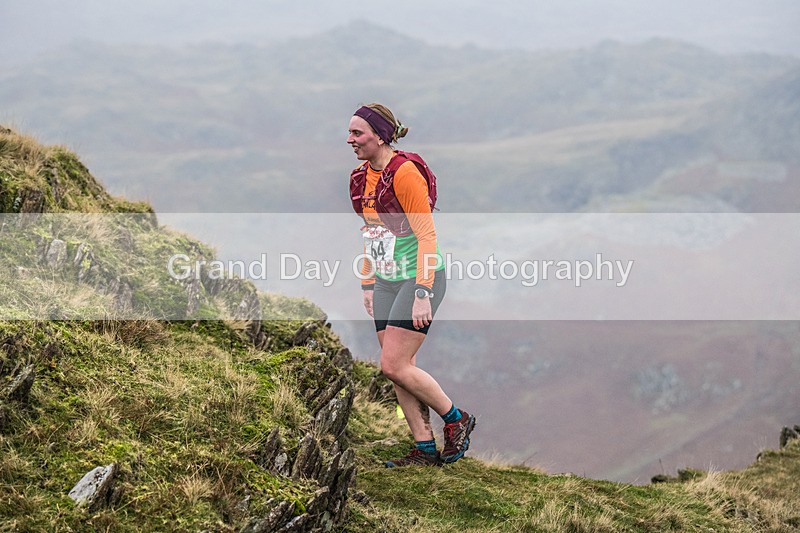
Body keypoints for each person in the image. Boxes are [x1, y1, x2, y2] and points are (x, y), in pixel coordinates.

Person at [347, 103, 476, 467]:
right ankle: (423, 447)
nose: (350, 140)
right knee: (401, 367)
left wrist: (422, 291)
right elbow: (371, 233)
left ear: (380, 135)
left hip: (421, 278)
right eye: (350, 133)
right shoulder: (360, 177)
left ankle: (456, 420)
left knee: (392, 364)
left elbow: (426, 235)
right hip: (385, 280)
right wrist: (368, 283)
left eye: (358, 133)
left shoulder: (404, 173)